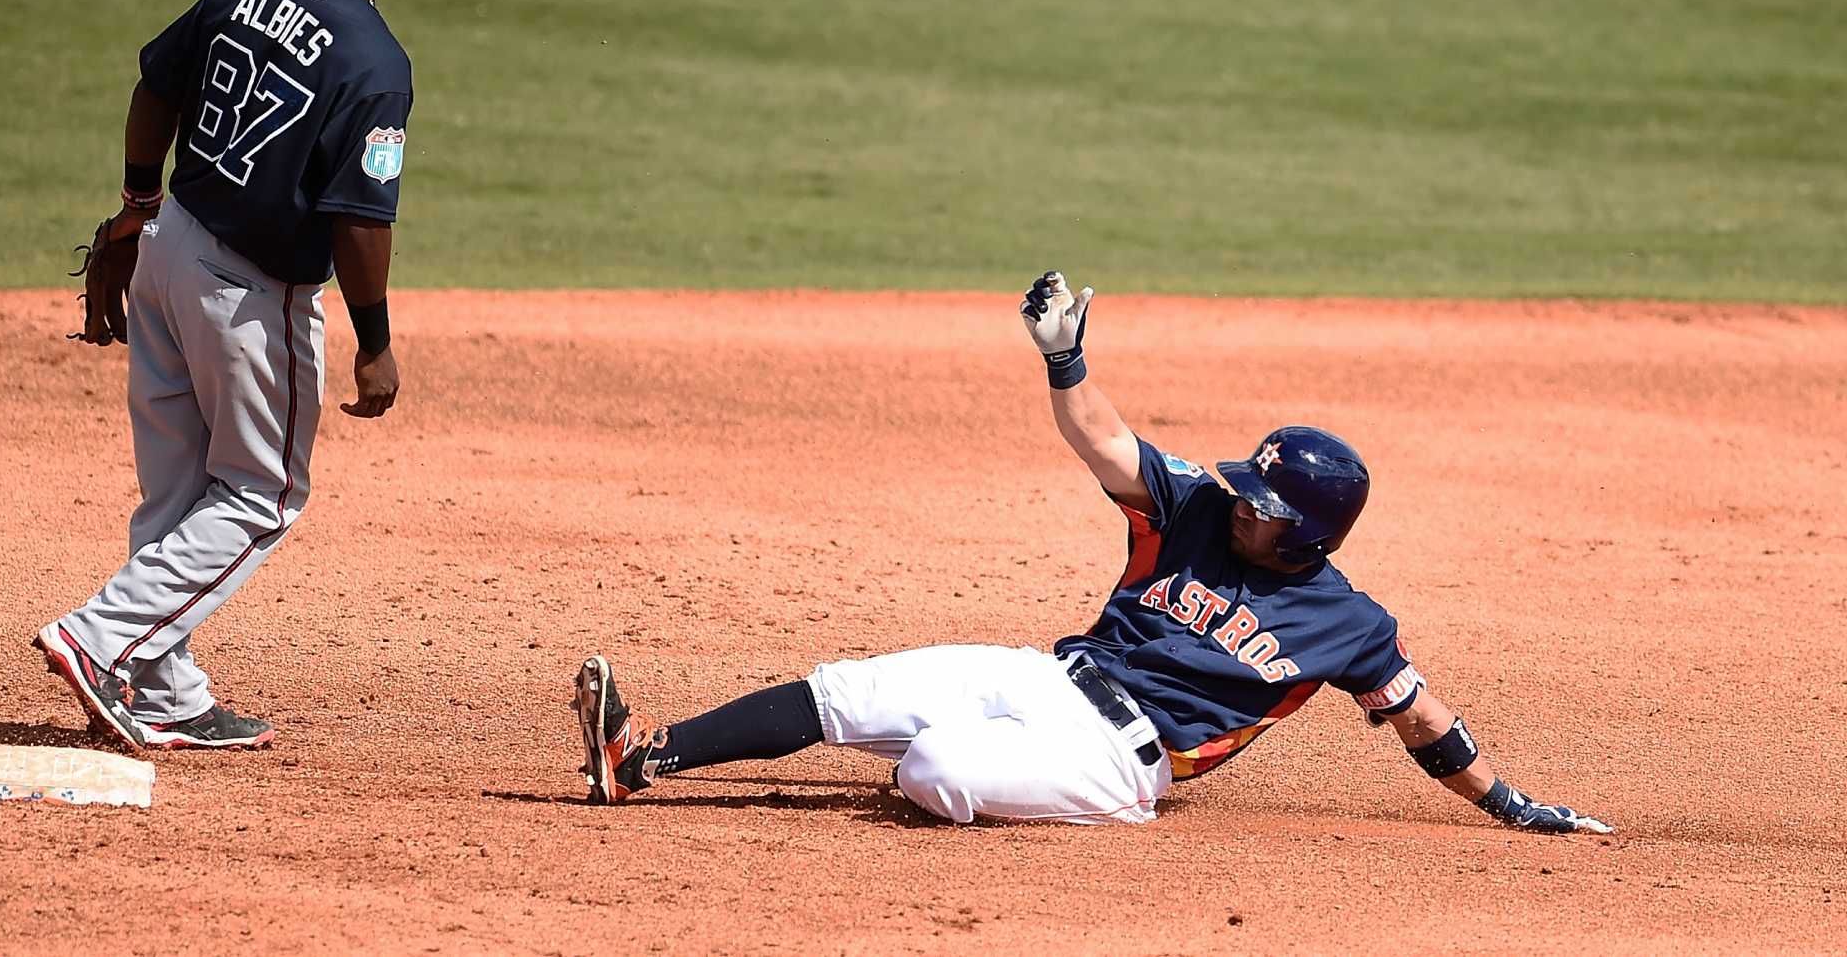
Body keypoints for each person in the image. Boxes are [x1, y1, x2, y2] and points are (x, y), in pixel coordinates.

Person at [573, 272, 1612, 832]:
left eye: (1257, 503)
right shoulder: (1196, 510)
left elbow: (1421, 719)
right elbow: (1105, 441)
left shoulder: (1349, 624)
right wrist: (1066, 359)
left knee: (930, 763)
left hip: (1117, 762)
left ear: (1303, 533)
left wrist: (1507, 802)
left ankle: (985, 783)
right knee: (842, 691)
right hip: (1047, 675)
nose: (1233, 501)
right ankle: (640, 758)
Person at [36, 0, 460, 750]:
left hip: (170, 249)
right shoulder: (376, 63)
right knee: (260, 496)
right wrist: (376, 341)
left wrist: (133, 210)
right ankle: (99, 637)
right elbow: (360, 218)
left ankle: (165, 683)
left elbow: (156, 83)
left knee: (177, 487)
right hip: (246, 296)